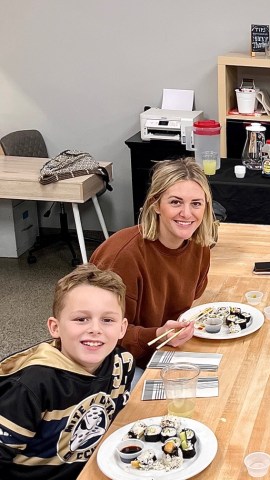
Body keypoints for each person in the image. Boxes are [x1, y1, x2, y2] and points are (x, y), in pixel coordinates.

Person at [0, 264, 134, 479]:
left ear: (122, 328)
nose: (95, 329)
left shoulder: (122, 362)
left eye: (107, 320)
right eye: (81, 319)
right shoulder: (31, 386)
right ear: (55, 327)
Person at [90, 158, 218, 368]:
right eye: (175, 202)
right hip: (114, 364)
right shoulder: (123, 256)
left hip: (164, 348)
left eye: (196, 203)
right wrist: (157, 335)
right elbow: (98, 334)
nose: (187, 214)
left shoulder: (199, 246)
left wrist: (164, 336)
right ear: (155, 204)